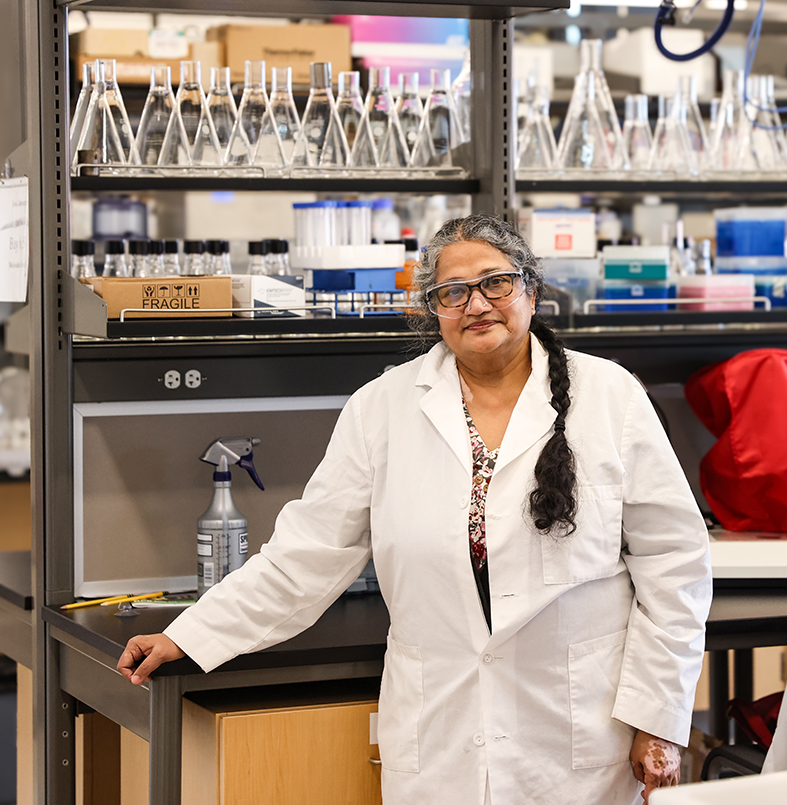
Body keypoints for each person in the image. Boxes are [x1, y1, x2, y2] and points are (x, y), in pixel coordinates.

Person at [117, 215, 713, 804]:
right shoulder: (381, 409)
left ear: (530, 289)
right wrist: (187, 635)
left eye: (496, 283)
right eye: (452, 293)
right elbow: (305, 556)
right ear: (433, 312)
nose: (476, 303)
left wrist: (658, 717)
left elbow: (675, 567)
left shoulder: (610, 398)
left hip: (578, 735)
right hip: (441, 737)